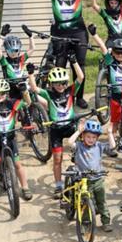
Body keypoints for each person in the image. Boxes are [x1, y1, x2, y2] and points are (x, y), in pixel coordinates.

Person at [31, 0, 95, 107]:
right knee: (59, 66)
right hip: (60, 32)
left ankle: (79, 97)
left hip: (78, 32)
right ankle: (57, 97)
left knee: (79, 65)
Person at [27, 63, 84, 196]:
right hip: (56, 130)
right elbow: (35, 88)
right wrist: (30, 74)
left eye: (63, 83)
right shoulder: (48, 94)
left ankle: (80, 177)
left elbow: (81, 77)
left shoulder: (70, 91)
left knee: (80, 154)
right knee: (57, 159)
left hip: (71, 127)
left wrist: (74, 62)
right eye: (57, 83)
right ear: (51, 84)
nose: (61, 86)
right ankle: (58, 185)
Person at [87, 28, 122, 150]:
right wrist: (94, 34)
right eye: (117, 53)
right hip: (116, 94)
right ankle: (111, 143)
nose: (121, 55)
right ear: (112, 52)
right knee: (115, 121)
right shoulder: (110, 60)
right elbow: (102, 47)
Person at [65, 120, 115, 232]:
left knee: (102, 202)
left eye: (94, 137)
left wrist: (110, 133)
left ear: (97, 138)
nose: (91, 139)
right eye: (88, 136)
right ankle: (86, 223)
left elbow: (112, 146)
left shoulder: (99, 146)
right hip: (84, 181)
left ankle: (106, 222)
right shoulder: (78, 146)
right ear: (83, 136)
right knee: (86, 203)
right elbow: (69, 142)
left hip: (98, 180)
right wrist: (78, 131)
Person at [0, 24, 36, 106]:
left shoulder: (21, 59)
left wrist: (30, 36)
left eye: (15, 50)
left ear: (19, 50)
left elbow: (32, 48)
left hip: (23, 85)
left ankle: (37, 111)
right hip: (11, 89)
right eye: (10, 51)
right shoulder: (4, 61)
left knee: (43, 102)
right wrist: (2, 36)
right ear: (6, 51)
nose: (13, 53)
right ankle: (31, 107)